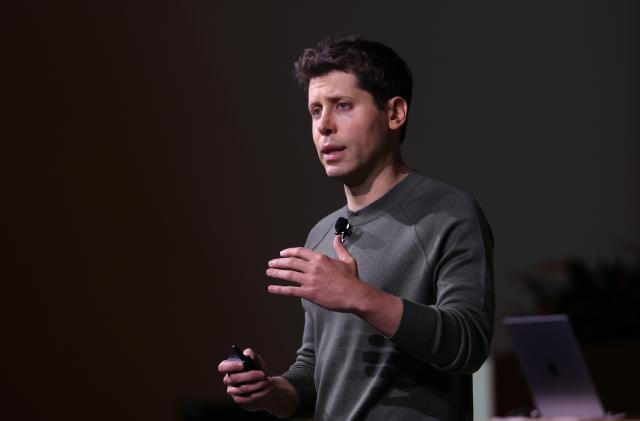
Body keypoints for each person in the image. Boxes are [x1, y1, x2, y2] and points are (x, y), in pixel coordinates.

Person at [218, 35, 494, 421]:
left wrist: (360, 297)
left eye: (343, 106)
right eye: (315, 111)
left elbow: (468, 344)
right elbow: (316, 371)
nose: (324, 126)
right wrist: (272, 391)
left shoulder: (447, 213)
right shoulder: (321, 234)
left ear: (395, 113)